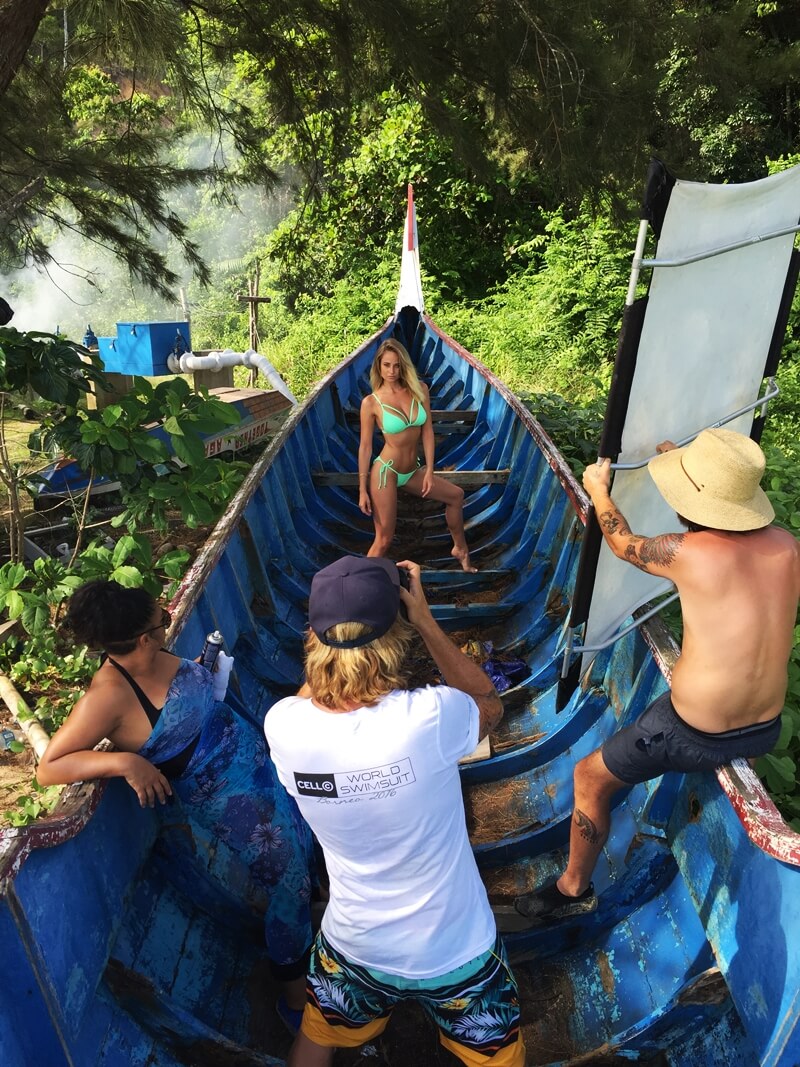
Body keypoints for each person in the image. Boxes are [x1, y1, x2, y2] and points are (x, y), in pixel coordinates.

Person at [515, 427, 800, 924]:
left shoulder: (689, 553)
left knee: (589, 777)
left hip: (692, 732)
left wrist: (598, 490)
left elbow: (622, 541)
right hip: (763, 729)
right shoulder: (786, 547)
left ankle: (572, 888)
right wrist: (689, 470)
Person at [265, 555, 526, 1067]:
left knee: (316, 1037)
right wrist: (425, 619)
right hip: (456, 949)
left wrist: (333, 648)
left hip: (355, 947)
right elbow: (488, 703)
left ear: (312, 637)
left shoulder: (283, 726)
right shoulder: (430, 716)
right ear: (395, 635)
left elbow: (311, 698)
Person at [37, 580, 315, 1030]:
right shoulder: (108, 696)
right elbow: (48, 767)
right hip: (234, 807)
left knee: (303, 849)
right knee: (289, 886)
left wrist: (204, 672)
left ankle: (311, 933)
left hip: (260, 769)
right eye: (162, 622)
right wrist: (125, 761)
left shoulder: (154, 655)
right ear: (143, 639)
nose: (167, 624)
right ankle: (295, 1002)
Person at [359, 338, 477, 571]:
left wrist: (430, 470)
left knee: (456, 496)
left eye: (397, 365)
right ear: (378, 367)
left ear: (403, 366)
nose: (391, 371)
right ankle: (360, 584)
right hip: (386, 472)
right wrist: (362, 489)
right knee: (384, 539)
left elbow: (428, 431)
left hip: (412, 471)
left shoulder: (420, 390)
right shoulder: (371, 402)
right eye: (386, 365)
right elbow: (365, 447)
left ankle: (460, 549)